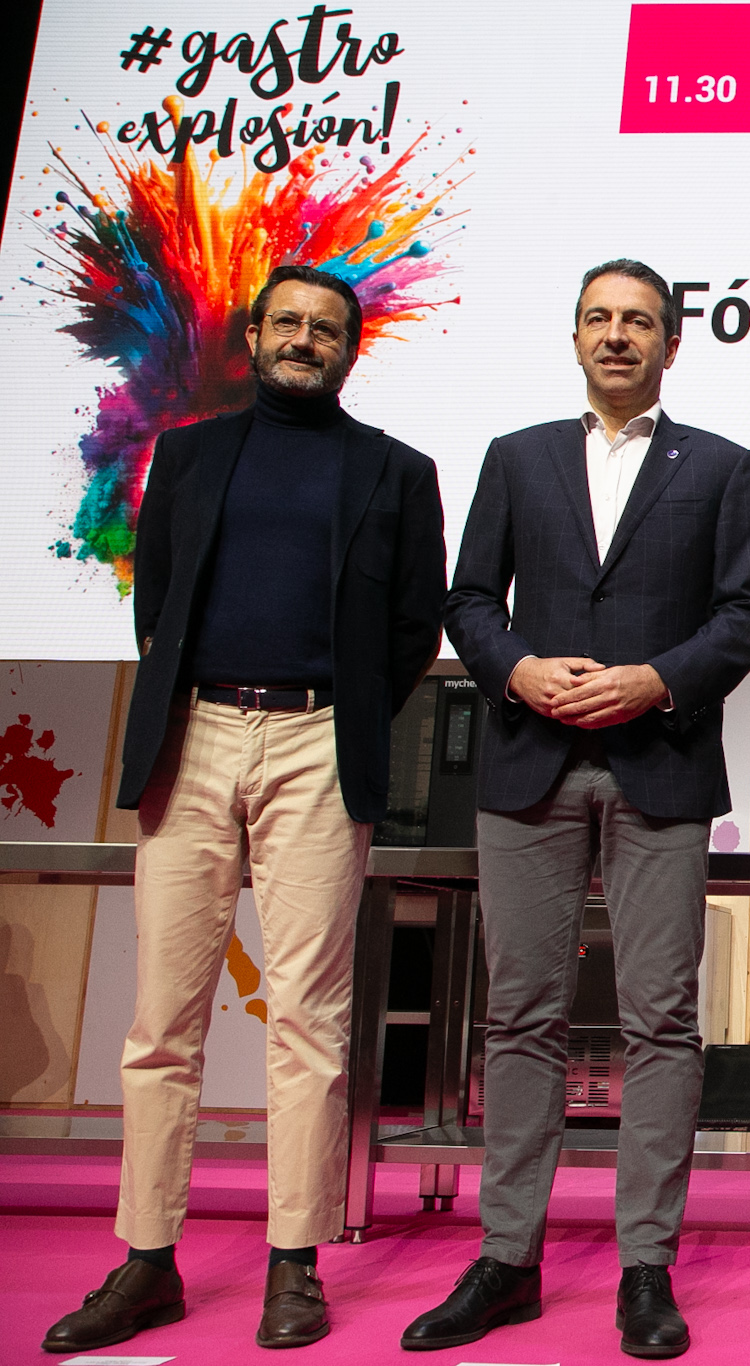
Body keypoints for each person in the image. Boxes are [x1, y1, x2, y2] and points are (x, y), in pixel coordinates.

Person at [41, 266, 446, 1354]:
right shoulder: (188, 453)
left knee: (309, 1018)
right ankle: (146, 1262)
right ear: (255, 335)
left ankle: (294, 1264)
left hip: (320, 742)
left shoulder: (398, 471)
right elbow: (158, 604)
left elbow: (412, 629)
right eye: (289, 323)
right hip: (195, 735)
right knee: (160, 1022)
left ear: (349, 350)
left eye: (327, 329)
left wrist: (340, 714)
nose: (306, 340)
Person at [411, 260, 750, 1358]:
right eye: (599, 319)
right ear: (575, 336)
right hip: (530, 762)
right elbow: (467, 598)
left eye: (639, 322)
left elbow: (748, 612)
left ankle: (645, 1266)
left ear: (672, 343)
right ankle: (507, 1259)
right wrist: (516, 669)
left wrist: (655, 680)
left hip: (659, 763)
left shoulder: (721, 466)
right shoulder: (516, 457)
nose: (618, 336)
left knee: (660, 1020)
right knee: (519, 1016)